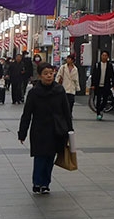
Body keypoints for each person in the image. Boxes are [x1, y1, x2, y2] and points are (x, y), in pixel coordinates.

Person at [18, 63, 73, 194]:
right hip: (39, 130)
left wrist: (70, 131)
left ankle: (46, 183)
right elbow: (27, 114)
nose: (49, 76)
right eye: (46, 73)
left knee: (50, 158)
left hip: (56, 130)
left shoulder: (59, 90)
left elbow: (66, 112)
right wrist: (22, 133)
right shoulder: (34, 93)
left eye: (51, 73)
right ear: (40, 75)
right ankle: (37, 182)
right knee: (40, 157)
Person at [90, 50, 114, 121]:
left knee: (105, 100)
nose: (104, 57)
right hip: (98, 85)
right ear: (101, 56)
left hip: (106, 85)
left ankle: (100, 109)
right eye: (103, 55)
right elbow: (94, 75)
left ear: (107, 57)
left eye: (105, 55)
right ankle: (98, 114)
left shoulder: (109, 65)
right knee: (98, 100)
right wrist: (93, 84)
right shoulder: (97, 65)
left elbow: (112, 76)